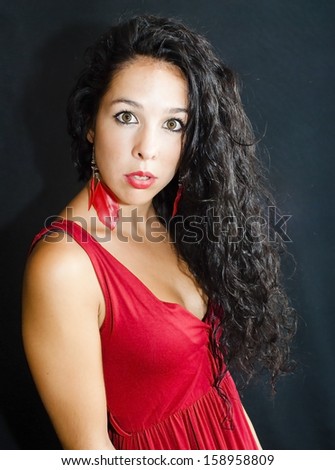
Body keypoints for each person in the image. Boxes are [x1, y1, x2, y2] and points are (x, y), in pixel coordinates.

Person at [22, 14, 296, 450]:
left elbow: (215, 388)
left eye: (173, 124)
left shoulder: (171, 218)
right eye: (127, 116)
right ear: (91, 123)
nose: (147, 148)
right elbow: (90, 452)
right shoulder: (64, 266)